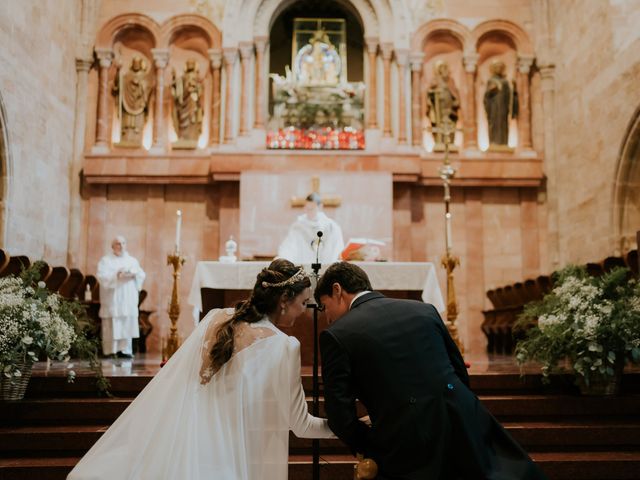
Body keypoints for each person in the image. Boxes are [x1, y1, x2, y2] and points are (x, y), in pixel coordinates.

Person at [68, 259, 334, 480]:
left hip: (176, 441)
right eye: (303, 302)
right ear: (284, 299)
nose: (303, 311)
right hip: (224, 454)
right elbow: (301, 425)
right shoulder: (285, 346)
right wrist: (349, 426)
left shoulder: (215, 318)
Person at [315, 261, 548, 480]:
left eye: (325, 307)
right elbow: (458, 369)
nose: (327, 318)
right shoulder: (424, 310)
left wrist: (371, 444)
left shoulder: (337, 334)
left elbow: (339, 414)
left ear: (338, 290)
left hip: (406, 439)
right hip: (463, 418)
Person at [96, 236, 146, 358]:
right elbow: (102, 277)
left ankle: (125, 350)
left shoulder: (132, 261)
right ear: (112, 246)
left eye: (123, 243)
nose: (121, 246)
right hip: (113, 298)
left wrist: (134, 274)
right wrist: (116, 275)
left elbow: (141, 274)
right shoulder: (106, 260)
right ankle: (111, 350)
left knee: (126, 323)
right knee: (112, 323)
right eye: (118, 243)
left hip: (127, 298)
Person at [278, 192, 344, 264]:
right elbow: (289, 248)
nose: (308, 211)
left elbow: (337, 249)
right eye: (306, 208)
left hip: (326, 268)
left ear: (320, 207)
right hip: (303, 267)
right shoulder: (298, 227)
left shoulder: (331, 227)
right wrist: (283, 259)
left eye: (311, 209)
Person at [112, 55, 153, 147]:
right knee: (126, 125)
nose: (136, 65)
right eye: (134, 62)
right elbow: (119, 84)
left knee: (137, 126)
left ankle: (137, 141)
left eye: (138, 63)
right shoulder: (127, 76)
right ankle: (126, 139)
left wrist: (141, 85)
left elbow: (148, 88)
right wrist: (118, 71)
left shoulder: (144, 77)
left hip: (139, 105)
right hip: (127, 103)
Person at [426, 60, 460, 148]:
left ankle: (450, 142)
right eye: (443, 68)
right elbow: (430, 92)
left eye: (446, 68)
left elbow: (455, 93)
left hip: (450, 107)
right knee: (439, 123)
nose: (445, 70)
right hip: (439, 108)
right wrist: (434, 93)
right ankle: (439, 141)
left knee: (450, 123)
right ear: (439, 70)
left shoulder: (451, 81)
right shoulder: (435, 80)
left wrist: (456, 100)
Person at [484, 59, 518, 147]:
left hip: (503, 108)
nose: (499, 69)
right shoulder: (491, 81)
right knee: (494, 124)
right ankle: (493, 142)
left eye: (500, 67)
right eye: (497, 67)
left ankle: (504, 142)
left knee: (503, 124)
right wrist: (491, 90)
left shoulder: (505, 82)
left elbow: (510, 96)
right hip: (494, 109)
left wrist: (514, 88)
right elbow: (486, 97)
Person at [171, 58, 204, 143]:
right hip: (184, 103)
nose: (190, 66)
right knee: (182, 119)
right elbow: (178, 87)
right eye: (188, 64)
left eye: (191, 64)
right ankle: (182, 137)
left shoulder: (197, 77)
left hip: (193, 102)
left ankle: (192, 137)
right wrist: (174, 79)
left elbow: (200, 90)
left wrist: (195, 89)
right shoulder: (183, 77)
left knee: (192, 119)